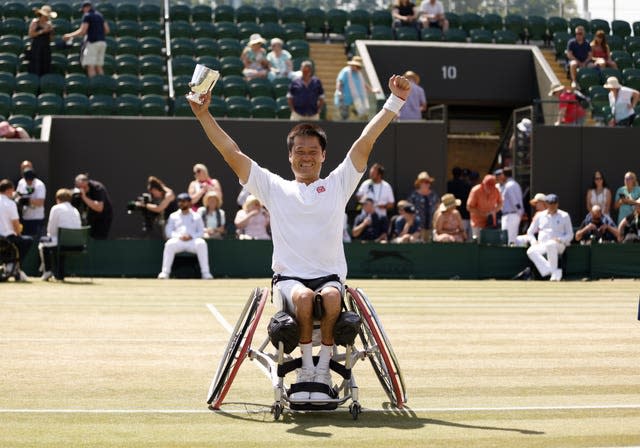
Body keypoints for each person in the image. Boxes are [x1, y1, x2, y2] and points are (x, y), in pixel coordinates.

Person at [188, 73, 411, 401]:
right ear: (290, 156)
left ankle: (322, 368)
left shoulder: (338, 183)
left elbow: (365, 141)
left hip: (331, 278)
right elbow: (231, 153)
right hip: (289, 281)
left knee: (332, 297)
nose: (306, 157)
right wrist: (203, 115)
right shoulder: (274, 187)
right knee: (306, 298)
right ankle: (307, 368)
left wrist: (395, 102)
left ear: (323, 155)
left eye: (312, 151)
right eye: (300, 152)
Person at [158, 193, 213, 280]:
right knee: (169, 244)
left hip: (192, 242)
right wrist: (179, 236)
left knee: (202, 243)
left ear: (189, 203)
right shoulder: (173, 216)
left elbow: (201, 232)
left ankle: (205, 273)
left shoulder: (197, 216)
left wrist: (191, 236)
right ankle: (165, 272)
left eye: (184, 201)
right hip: (178, 241)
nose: (181, 203)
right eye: (179, 201)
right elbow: (168, 232)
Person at [526, 194, 573, 281]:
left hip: (559, 245)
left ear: (557, 204)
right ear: (546, 204)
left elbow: (570, 234)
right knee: (530, 251)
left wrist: (560, 239)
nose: (552, 206)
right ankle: (553, 271)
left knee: (550, 244)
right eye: (550, 203)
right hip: (543, 244)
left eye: (554, 203)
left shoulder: (564, 215)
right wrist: (533, 241)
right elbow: (530, 232)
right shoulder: (540, 216)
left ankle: (553, 272)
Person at [38, 188, 82, 281]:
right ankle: (59, 274)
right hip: (76, 243)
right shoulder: (75, 210)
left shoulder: (56, 208)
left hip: (60, 242)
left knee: (43, 244)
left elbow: (51, 230)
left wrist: (51, 236)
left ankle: (47, 271)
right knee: (56, 244)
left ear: (58, 199)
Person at [63, 1, 110, 78]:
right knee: (99, 66)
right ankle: (102, 86)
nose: (83, 12)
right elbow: (107, 30)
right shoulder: (100, 15)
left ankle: (94, 86)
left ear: (87, 7)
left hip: (92, 43)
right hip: (102, 42)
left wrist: (69, 35)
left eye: (83, 9)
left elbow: (83, 31)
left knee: (90, 66)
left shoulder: (87, 15)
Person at [0, 179, 31, 281]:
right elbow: (16, 226)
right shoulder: (10, 204)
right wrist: (18, 233)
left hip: (5, 239)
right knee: (27, 240)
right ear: (9, 190)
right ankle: (13, 266)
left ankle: (11, 266)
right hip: (6, 239)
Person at [334, 56, 375, 121]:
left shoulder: (359, 73)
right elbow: (340, 82)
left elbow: (364, 84)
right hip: (344, 100)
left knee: (359, 117)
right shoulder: (346, 71)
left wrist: (372, 90)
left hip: (356, 101)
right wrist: (340, 93)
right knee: (344, 118)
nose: (355, 67)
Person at [73, 173, 113, 239]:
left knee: (99, 239)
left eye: (84, 187)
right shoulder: (78, 192)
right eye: (79, 187)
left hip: (103, 218)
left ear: (87, 183)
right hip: (90, 218)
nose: (82, 189)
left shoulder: (97, 188)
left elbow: (99, 208)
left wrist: (84, 197)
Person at [466, 174, 503, 240]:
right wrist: (482, 214)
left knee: (491, 242)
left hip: (491, 222)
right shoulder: (476, 191)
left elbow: (500, 203)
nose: (490, 189)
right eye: (488, 186)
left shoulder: (496, 190)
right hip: (477, 222)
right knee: (478, 241)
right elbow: (469, 207)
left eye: (492, 187)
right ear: (483, 184)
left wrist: (494, 211)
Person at [494, 167, 523, 245]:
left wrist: (519, 213)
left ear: (503, 175)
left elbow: (515, 202)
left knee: (509, 238)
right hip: (511, 215)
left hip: (511, 215)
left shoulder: (509, 185)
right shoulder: (513, 184)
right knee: (508, 238)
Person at [15, 167, 46, 239]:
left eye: (31, 179)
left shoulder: (39, 185)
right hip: (25, 218)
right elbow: (17, 195)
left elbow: (41, 202)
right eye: (27, 180)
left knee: (36, 242)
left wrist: (27, 200)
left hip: (37, 218)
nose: (29, 182)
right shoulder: (21, 182)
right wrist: (19, 200)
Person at [407, 171, 439, 242]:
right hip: (418, 227)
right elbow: (409, 210)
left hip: (431, 226)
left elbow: (438, 209)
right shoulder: (414, 195)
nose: (425, 184)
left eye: (427, 182)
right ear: (419, 183)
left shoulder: (434, 195)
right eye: (423, 182)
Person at [27, 4, 56, 76]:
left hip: (46, 48)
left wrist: (51, 32)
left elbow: (51, 39)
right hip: (36, 48)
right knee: (36, 67)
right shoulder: (35, 22)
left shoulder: (49, 24)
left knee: (45, 67)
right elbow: (31, 34)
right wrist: (42, 31)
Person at [446, 167, 471, 241]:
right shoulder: (467, 186)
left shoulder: (448, 184)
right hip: (464, 215)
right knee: (463, 237)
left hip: (453, 214)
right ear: (461, 175)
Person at [566, 26, 594, 90]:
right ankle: (574, 81)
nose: (578, 35)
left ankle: (589, 82)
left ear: (583, 34)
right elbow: (569, 55)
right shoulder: (571, 42)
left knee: (592, 66)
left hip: (585, 62)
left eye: (580, 33)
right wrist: (579, 62)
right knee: (573, 64)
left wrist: (585, 62)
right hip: (575, 61)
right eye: (577, 33)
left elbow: (590, 55)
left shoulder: (587, 43)